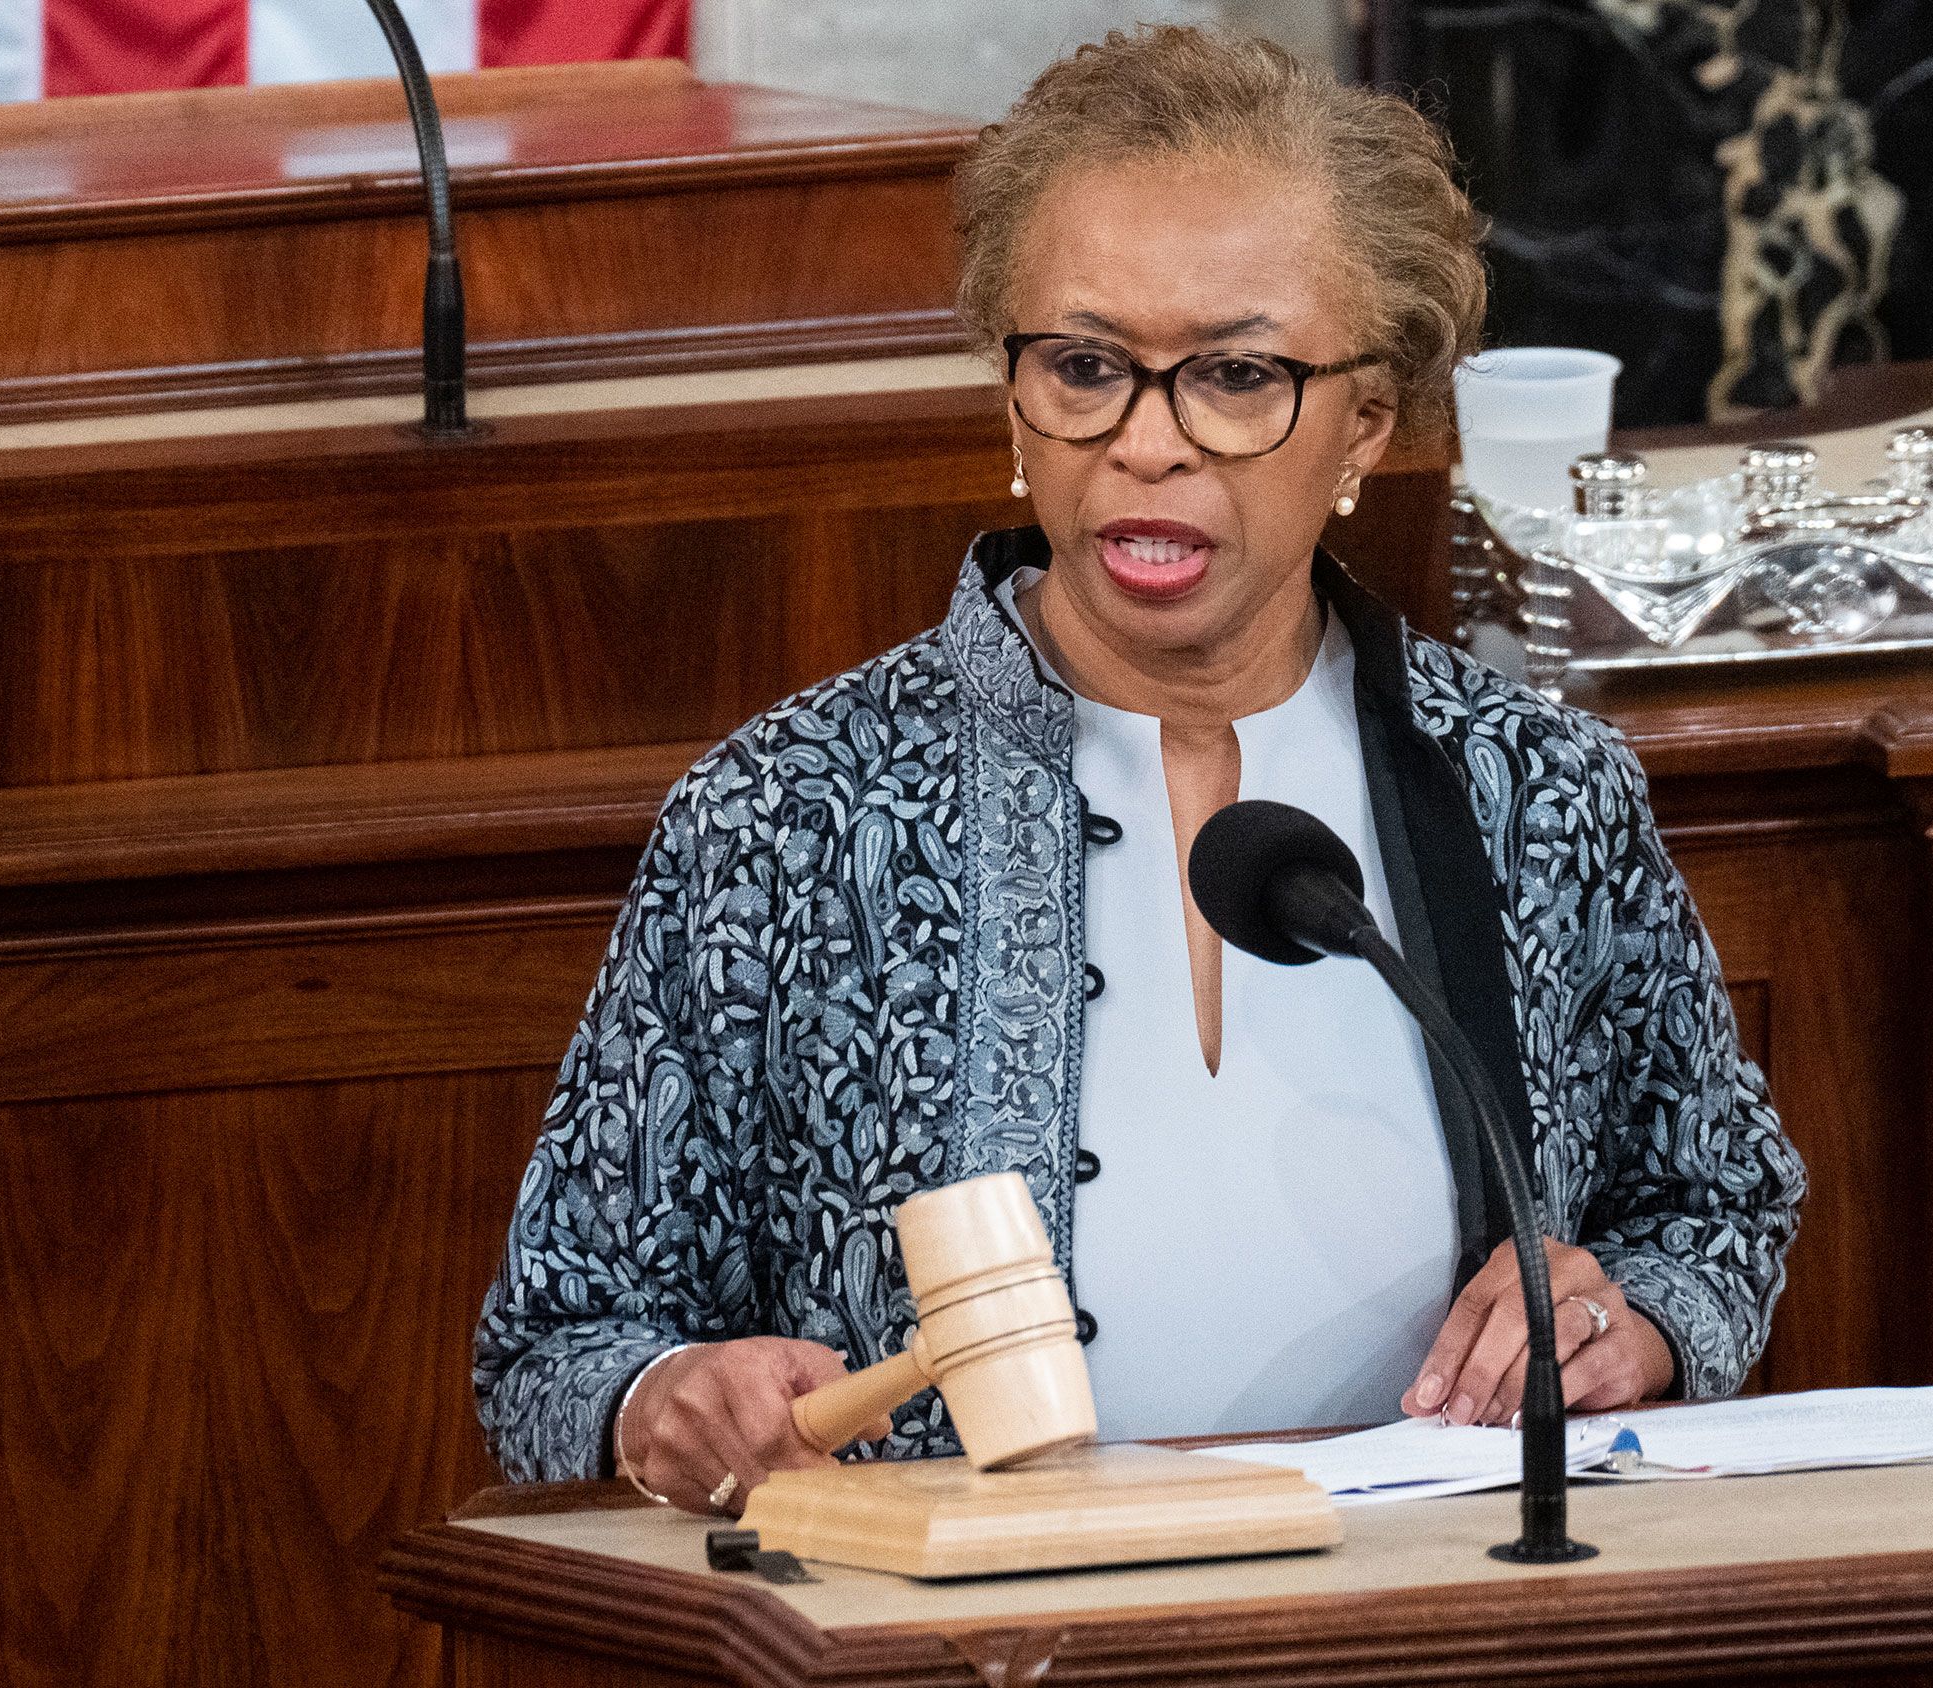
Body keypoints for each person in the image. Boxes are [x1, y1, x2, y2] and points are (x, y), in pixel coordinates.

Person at [473, 25, 1804, 1515]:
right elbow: (556, 1347)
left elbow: (1715, 1204)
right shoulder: (786, 814)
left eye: (1237, 375)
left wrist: (1634, 1326)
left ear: (1369, 420)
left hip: (1431, 1617)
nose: (1148, 444)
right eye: (1087, 367)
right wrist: (665, 1400)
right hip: (952, 1647)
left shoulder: (1534, 791)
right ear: (1013, 394)